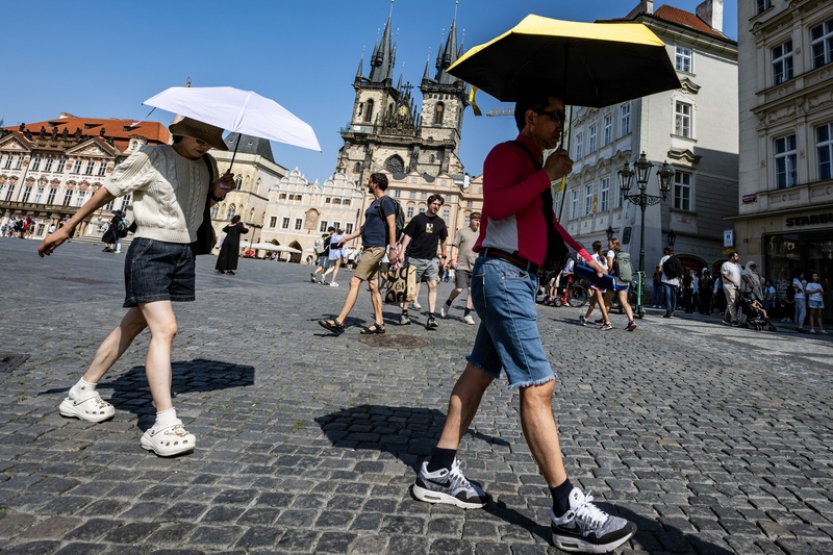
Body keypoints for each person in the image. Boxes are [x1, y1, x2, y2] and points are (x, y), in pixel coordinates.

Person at [411, 92, 635, 553]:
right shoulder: (505, 155)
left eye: (563, 117)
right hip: (503, 275)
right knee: (538, 386)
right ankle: (565, 509)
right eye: (556, 117)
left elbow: (552, 229)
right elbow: (499, 201)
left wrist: (589, 260)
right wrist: (546, 176)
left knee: (479, 373)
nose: (561, 126)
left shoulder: (535, 167)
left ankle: (438, 468)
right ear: (531, 118)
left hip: (518, 277)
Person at [37, 117, 235, 457]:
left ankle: (82, 390)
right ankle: (163, 422)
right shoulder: (151, 157)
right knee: (166, 328)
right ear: (180, 133)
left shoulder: (208, 163)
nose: (204, 144)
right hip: (151, 250)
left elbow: (194, 205)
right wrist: (68, 227)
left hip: (184, 253)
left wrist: (217, 192)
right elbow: (108, 190)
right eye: (199, 138)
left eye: (211, 140)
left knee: (132, 325)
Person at [318, 173, 398, 335]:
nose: (367, 184)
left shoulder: (386, 201)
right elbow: (363, 228)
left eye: (369, 181)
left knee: (354, 281)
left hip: (376, 248)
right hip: (368, 247)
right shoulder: (373, 204)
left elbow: (392, 225)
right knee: (374, 286)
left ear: (375, 184)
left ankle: (339, 322)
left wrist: (393, 248)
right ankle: (380, 323)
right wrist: (346, 237)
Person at [399, 194, 449, 330]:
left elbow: (444, 239)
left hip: (432, 259)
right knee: (411, 287)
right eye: (435, 204)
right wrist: (402, 251)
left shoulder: (440, 222)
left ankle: (431, 317)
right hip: (415, 257)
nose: (437, 207)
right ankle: (404, 313)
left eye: (439, 205)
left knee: (433, 285)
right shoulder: (417, 219)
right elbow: (408, 235)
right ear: (428, 204)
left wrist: (444, 255)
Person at [440, 212, 480, 325]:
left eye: (479, 220)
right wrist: (453, 259)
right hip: (462, 265)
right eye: (476, 220)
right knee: (459, 289)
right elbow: (454, 245)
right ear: (471, 220)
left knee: (472, 291)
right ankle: (448, 303)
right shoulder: (462, 232)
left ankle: (467, 315)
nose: (478, 222)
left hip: (475, 266)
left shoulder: (482, 234)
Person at [579, 240, 611, 330]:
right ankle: (585, 319)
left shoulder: (591, 257)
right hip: (603, 281)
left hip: (597, 282)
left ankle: (607, 322)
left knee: (601, 303)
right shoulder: (603, 258)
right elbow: (607, 270)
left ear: (593, 248)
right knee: (592, 302)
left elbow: (584, 265)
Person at [608, 237, 637, 331]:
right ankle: (631, 321)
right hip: (625, 281)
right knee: (624, 302)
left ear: (614, 245)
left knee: (606, 301)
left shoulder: (611, 252)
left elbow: (609, 266)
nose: (608, 245)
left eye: (610, 244)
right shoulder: (623, 253)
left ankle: (605, 320)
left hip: (615, 280)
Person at [658, 247, 681, 318]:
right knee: (674, 297)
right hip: (675, 281)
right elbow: (680, 270)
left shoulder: (664, 258)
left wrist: (666, 272)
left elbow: (660, 270)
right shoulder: (677, 260)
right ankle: (672, 312)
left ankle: (668, 312)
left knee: (667, 297)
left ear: (666, 252)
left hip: (666, 280)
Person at [720, 251, 741, 326]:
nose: (738, 257)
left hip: (737, 287)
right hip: (729, 286)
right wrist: (733, 282)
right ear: (732, 257)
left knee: (732, 303)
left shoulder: (738, 265)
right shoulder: (726, 265)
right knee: (732, 302)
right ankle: (734, 320)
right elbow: (724, 275)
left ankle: (726, 319)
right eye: (736, 256)